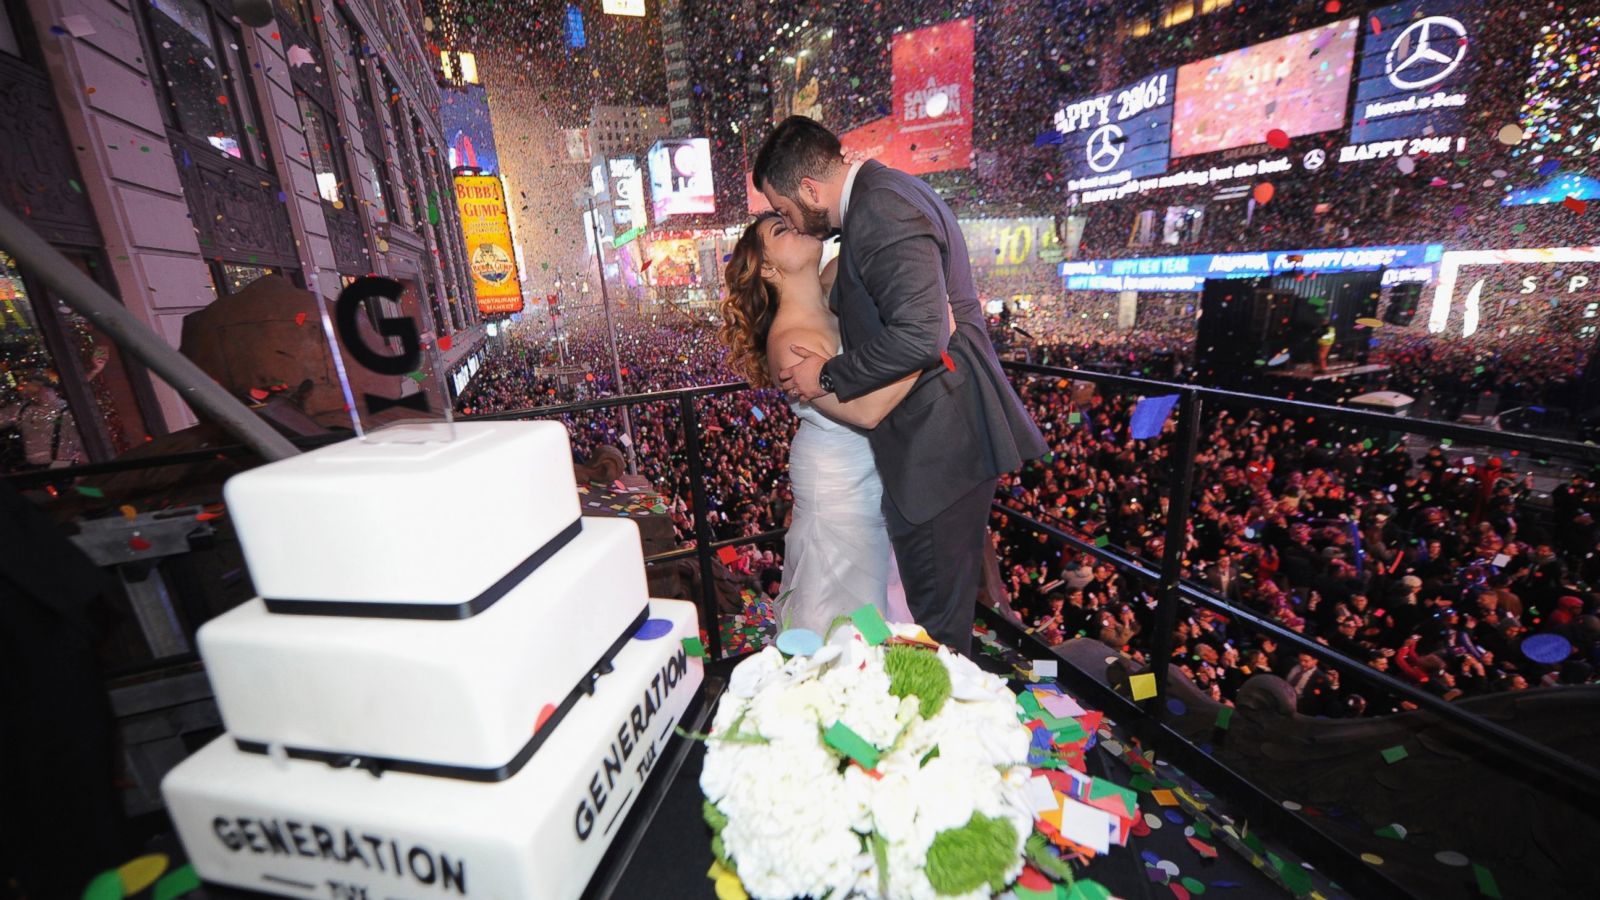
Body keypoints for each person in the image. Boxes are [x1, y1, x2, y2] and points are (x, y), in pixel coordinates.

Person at [756, 115, 1047, 655]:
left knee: (934, 627)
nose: (788, 219)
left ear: (809, 189)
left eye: (783, 207)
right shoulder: (883, 196)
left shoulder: (880, 207)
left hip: (938, 446)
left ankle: (935, 730)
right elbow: (913, 324)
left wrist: (825, 374)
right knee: (926, 615)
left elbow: (919, 334)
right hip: (927, 447)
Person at [719, 211, 922, 634]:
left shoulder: (834, 281)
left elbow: (872, 230)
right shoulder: (788, 341)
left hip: (873, 474)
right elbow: (867, 410)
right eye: (780, 229)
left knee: (879, 596)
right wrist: (930, 343)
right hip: (837, 481)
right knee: (843, 609)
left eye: (789, 217)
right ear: (768, 266)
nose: (794, 224)